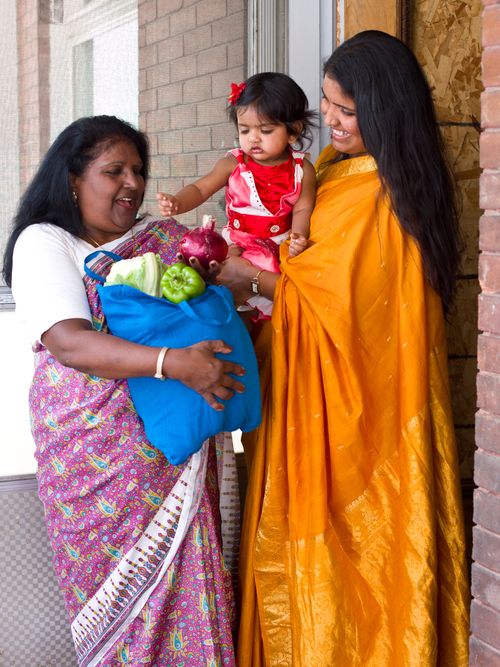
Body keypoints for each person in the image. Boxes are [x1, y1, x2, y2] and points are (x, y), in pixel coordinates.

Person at [217, 31, 470, 666]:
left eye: (346, 110)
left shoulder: (388, 193)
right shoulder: (328, 170)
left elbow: (346, 313)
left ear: (385, 111)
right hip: (312, 392)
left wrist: (244, 276)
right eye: (327, 104)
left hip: (368, 417)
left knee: (364, 553)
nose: (328, 119)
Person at [2, 115, 243, 666]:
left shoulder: (157, 239)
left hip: (173, 448)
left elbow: (229, 272)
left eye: (137, 170)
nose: (131, 183)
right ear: (71, 180)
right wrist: (175, 363)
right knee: (122, 613)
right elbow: (70, 344)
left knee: (193, 589)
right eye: (114, 171)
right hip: (92, 459)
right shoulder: (46, 243)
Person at [157, 72, 317, 319]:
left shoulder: (302, 169)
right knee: (224, 292)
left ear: (293, 131)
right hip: (238, 245)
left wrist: (298, 235)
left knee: (276, 310)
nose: (253, 138)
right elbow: (201, 188)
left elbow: (303, 208)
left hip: (278, 248)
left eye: (265, 130)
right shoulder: (234, 162)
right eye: (244, 130)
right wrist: (179, 202)